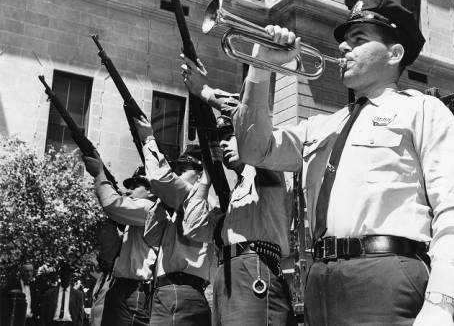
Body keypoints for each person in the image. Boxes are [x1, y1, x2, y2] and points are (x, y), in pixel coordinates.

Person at [231, 0, 454, 326]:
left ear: (394, 53)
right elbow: (254, 149)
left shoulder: (423, 110)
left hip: (387, 275)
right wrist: (261, 65)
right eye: (345, 39)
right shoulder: (320, 125)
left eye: (358, 39)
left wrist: (441, 301)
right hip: (321, 279)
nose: (344, 47)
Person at [179, 60, 295, 325]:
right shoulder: (236, 192)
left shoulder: (268, 171)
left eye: (230, 134)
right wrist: (208, 175)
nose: (224, 141)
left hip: (255, 267)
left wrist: (206, 92)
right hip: (227, 275)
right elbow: (194, 227)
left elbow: (252, 127)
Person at [132, 120, 212, 326]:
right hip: (173, 292)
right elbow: (152, 237)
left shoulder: (195, 199)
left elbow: (160, 178)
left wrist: (148, 138)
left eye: (183, 169)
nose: (177, 175)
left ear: (201, 172)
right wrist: (162, 202)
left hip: (177, 290)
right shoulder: (180, 202)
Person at [81, 157, 156, 326]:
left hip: (135, 289)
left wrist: (100, 173)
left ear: (151, 191)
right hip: (122, 287)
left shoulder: (149, 208)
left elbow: (112, 205)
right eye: (128, 186)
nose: (128, 191)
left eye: (135, 186)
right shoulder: (133, 217)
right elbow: (109, 254)